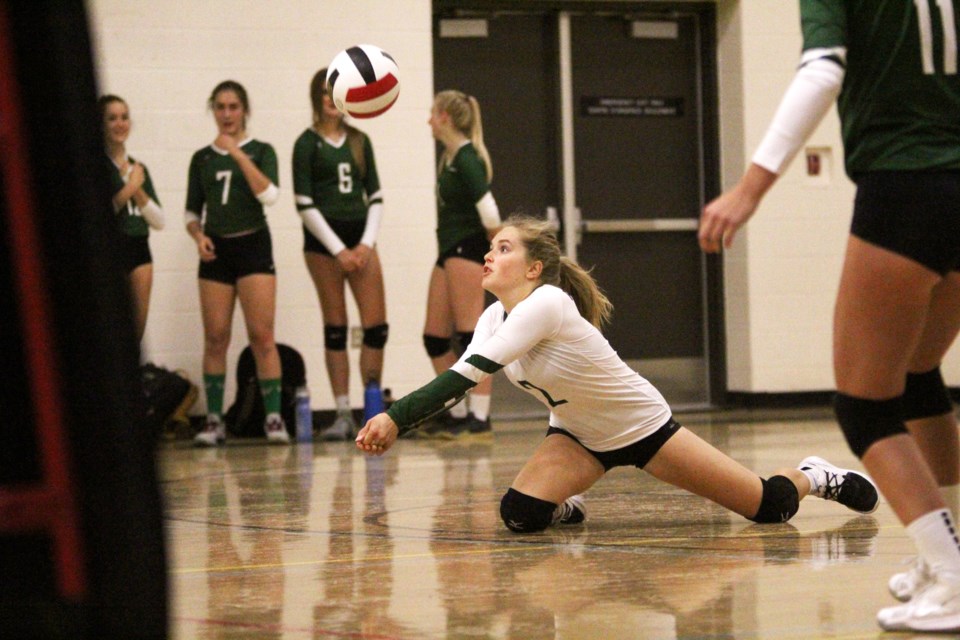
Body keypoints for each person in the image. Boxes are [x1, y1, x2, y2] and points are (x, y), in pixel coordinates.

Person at [357, 216, 879, 537]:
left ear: (535, 268)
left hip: (644, 428)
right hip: (578, 435)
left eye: (504, 248)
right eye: (490, 248)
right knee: (520, 514)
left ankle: (816, 475)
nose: (489, 256)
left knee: (770, 508)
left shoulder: (549, 303)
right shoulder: (494, 317)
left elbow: (467, 376)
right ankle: (571, 501)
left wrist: (396, 419)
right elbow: (460, 380)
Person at [696, 1, 960, 632]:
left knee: (864, 404)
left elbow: (821, 69)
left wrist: (749, 189)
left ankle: (950, 578)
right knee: (919, 376)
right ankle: (946, 552)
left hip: (906, 185)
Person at [185, 80, 289, 446]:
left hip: (254, 247)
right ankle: (214, 421)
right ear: (213, 110)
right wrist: (198, 237)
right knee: (215, 338)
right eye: (220, 107)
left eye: (233, 107)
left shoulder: (262, 150)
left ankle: (273, 418)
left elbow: (271, 194)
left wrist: (237, 153)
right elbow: (190, 213)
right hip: (217, 252)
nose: (227, 114)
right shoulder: (201, 158)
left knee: (262, 336)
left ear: (244, 110)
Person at [292, 68, 388, 441]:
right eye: (324, 92)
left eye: (337, 92)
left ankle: (373, 407)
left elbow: (376, 196)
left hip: (360, 236)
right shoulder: (306, 144)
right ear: (315, 97)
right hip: (323, 243)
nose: (330, 99)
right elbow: (304, 202)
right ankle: (343, 413)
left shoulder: (360, 141)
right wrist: (338, 250)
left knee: (376, 327)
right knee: (336, 327)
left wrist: (364, 244)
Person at [420, 89, 501, 437]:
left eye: (432, 113)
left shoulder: (468, 157)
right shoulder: (451, 157)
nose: (428, 120)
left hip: (467, 249)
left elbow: (490, 211)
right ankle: (455, 411)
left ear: (445, 118)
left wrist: (498, 254)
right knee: (434, 337)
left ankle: (480, 418)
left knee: (472, 337)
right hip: (448, 249)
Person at [99, 94, 165, 344]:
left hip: (140, 249)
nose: (120, 124)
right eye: (112, 118)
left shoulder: (138, 168)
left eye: (124, 117)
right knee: (111, 332)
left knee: (135, 336)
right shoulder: (98, 166)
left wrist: (137, 187)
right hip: (112, 248)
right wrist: (130, 187)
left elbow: (159, 221)